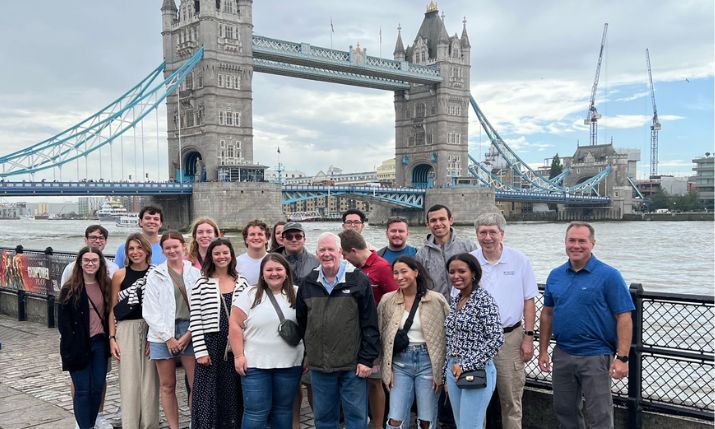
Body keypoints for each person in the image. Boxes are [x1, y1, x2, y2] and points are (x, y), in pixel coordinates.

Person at [538, 222, 634, 429]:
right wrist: (543, 351)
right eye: (571, 240)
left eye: (582, 241)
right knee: (565, 411)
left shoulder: (609, 275)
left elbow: (624, 317)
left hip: (596, 356)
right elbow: (547, 313)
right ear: (565, 243)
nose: (576, 246)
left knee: (599, 415)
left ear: (593, 244)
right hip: (563, 353)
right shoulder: (555, 275)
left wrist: (623, 358)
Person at [296, 232, 380, 429]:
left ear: (340, 252)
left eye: (331, 249)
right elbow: (302, 322)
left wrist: (366, 359)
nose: (326, 254)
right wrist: (308, 353)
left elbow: (370, 323)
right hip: (320, 366)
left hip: (353, 365)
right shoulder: (308, 283)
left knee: (356, 418)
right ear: (316, 253)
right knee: (324, 419)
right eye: (322, 250)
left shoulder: (358, 280)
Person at [470, 213, 538, 429]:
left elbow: (529, 300)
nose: (487, 237)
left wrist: (528, 336)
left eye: (492, 232)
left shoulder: (519, 260)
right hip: (477, 339)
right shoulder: (469, 261)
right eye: (483, 232)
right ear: (477, 234)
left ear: (502, 234)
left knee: (511, 399)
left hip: (510, 337)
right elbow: (459, 299)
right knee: (475, 399)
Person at [415, 204, 477, 428]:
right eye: (433, 220)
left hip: (465, 318)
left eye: (442, 219)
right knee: (437, 368)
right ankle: (439, 417)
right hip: (435, 320)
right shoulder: (421, 253)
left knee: (461, 366)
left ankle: (456, 419)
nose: (438, 224)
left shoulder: (468, 246)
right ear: (427, 224)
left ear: (451, 220)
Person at [230, 253, 305, 429]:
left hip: (290, 363)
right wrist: (238, 356)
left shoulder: (298, 293)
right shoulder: (249, 294)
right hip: (255, 364)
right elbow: (234, 325)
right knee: (256, 412)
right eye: (269, 269)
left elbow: (308, 326)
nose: (274, 273)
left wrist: (307, 355)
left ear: (286, 272)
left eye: (279, 269)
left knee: (283, 410)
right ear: (262, 273)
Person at [377, 256, 449, 429]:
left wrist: (441, 371)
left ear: (416, 272)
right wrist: (386, 368)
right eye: (395, 273)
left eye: (404, 271)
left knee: (426, 419)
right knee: (395, 418)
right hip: (400, 363)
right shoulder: (388, 300)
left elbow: (448, 335)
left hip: (428, 362)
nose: (399, 277)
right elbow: (381, 335)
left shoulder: (436, 300)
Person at [59, 225, 118, 429]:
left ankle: (92, 422)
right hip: (78, 344)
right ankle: (83, 425)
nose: (91, 263)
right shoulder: (70, 288)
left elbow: (112, 311)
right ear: (80, 263)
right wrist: (71, 344)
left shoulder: (106, 284)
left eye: (94, 261)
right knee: (82, 388)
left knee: (97, 386)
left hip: (100, 344)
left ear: (100, 263)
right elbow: (63, 322)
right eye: (86, 261)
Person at [339, 229, 398, 429]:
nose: (345, 259)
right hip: (355, 333)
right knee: (356, 380)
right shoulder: (355, 269)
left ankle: (378, 424)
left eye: (345, 255)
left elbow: (395, 299)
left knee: (374, 381)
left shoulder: (382, 267)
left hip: (376, 333)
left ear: (353, 251)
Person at [143, 231, 201, 429]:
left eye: (175, 246)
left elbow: (202, 307)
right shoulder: (155, 274)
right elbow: (149, 310)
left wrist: (188, 334)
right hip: (161, 333)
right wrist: (168, 337)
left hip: (190, 329)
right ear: (162, 250)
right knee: (167, 385)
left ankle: (196, 422)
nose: (172, 250)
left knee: (196, 384)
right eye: (167, 248)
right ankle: (174, 426)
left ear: (183, 247)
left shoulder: (195, 273)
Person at [190, 238, 249, 429]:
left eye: (225, 253)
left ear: (231, 255)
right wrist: (200, 352)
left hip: (236, 345)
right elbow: (196, 319)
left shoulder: (242, 281)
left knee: (233, 390)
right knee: (208, 392)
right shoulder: (201, 282)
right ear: (211, 257)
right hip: (211, 344)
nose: (221, 257)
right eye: (217, 253)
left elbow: (248, 316)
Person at [444, 253, 504, 429]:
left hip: (476, 370)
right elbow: (451, 339)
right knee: (461, 424)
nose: (456, 276)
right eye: (452, 271)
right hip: (453, 370)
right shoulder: (456, 300)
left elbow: (496, 339)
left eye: (462, 271)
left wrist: (466, 365)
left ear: (474, 274)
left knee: (470, 426)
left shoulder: (484, 300)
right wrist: (445, 372)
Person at [108, 234, 160, 429]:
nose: (135, 252)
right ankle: (130, 424)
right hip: (126, 328)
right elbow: (112, 308)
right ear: (126, 252)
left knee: (150, 382)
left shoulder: (156, 273)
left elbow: (160, 307)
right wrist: (112, 337)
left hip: (150, 328)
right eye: (131, 248)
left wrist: (154, 335)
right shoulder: (120, 275)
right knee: (128, 380)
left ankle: (150, 424)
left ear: (147, 250)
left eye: (139, 248)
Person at [60, 225, 119, 291]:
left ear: (106, 241)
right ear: (86, 240)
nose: (97, 241)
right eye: (93, 237)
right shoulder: (71, 268)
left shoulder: (113, 268)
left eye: (101, 238)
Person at [236, 219, 270, 286]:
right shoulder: (236, 263)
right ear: (246, 240)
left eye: (260, 234)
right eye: (252, 234)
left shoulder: (274, 261)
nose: (256, 237)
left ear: (266, 239)